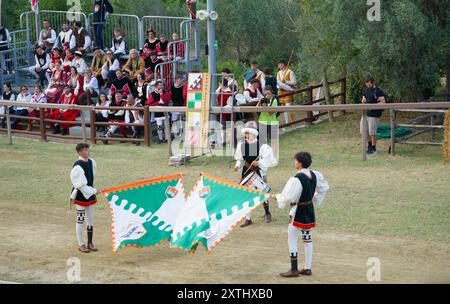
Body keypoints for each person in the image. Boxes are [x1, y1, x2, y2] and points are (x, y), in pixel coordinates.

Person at [275, 152, 329, 277]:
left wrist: (278, 198)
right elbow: (323, 188)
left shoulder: (296, 179)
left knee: (292, 238)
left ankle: (294, 269)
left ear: (299, 163)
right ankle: (307, 268)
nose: (294, 163)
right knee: (307, 238)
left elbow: (288, 197)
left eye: (295, 161)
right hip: (309, 209)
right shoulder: (315, 175)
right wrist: (314, 198)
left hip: (298, 211)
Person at [234, 121, 277, 227]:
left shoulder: (263, 146)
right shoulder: (242, 146)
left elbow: (270, 160)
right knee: (246, 194)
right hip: (246, 171)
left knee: (262, 193)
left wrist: (259, 162)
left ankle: (267, 213)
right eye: (245, 133)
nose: (245, 135)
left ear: (252, 134)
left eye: (247, 133)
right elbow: (240, 159)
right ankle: (248, 219)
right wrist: (237, 165)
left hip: (258, 171)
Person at [69, 143, 100, 253]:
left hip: (90, 196)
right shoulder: (77, 167)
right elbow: (81, 186)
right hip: (81, 197)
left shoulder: (92, 162)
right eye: (85, 150)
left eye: (87, 149)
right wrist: (94, 191)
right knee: (80, 220)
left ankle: (90, 243)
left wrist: (92, 191)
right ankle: (81, 244)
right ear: (80, 152)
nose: (87, 151)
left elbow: (91, 179)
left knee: (90, 220)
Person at [361, 76, 386, 154]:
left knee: (372, 132)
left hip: (374, 114)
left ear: (372, 82)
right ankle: (369, 146)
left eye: (369, 84)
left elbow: (383, 102)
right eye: (366, 84)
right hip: (366, 114)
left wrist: (373, 105)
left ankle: (374, 148)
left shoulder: (378, 91)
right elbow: (363, 98)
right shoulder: (366, 90)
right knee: (364, 130)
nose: (367, 85)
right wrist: (363, 100)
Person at [258, 86, 280, 151]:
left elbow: (271, 113)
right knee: (262, 141)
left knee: (273, 140)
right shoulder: (262, 100)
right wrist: (259, 103)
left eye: (269, 94)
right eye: (266, 94)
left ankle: (274, 154)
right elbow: (256, 108)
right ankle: (262, 154)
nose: (267, 95)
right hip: (262, 121)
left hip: (272, 122)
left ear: (272, 93)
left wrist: (266, 106)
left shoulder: (274, 100)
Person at [277, 59, 297, 125]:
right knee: (284, 109)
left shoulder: (290, 72)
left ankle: (293, 123)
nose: (279, 66)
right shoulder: (278, 73)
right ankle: (287, 123)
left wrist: (286, 81)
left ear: (283, 64)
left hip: (288, 91)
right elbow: (277, 82)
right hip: (281, 92)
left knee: (288, 108)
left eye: (279, 64)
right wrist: (278, 86)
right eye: (278, 65)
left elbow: (294, 82)